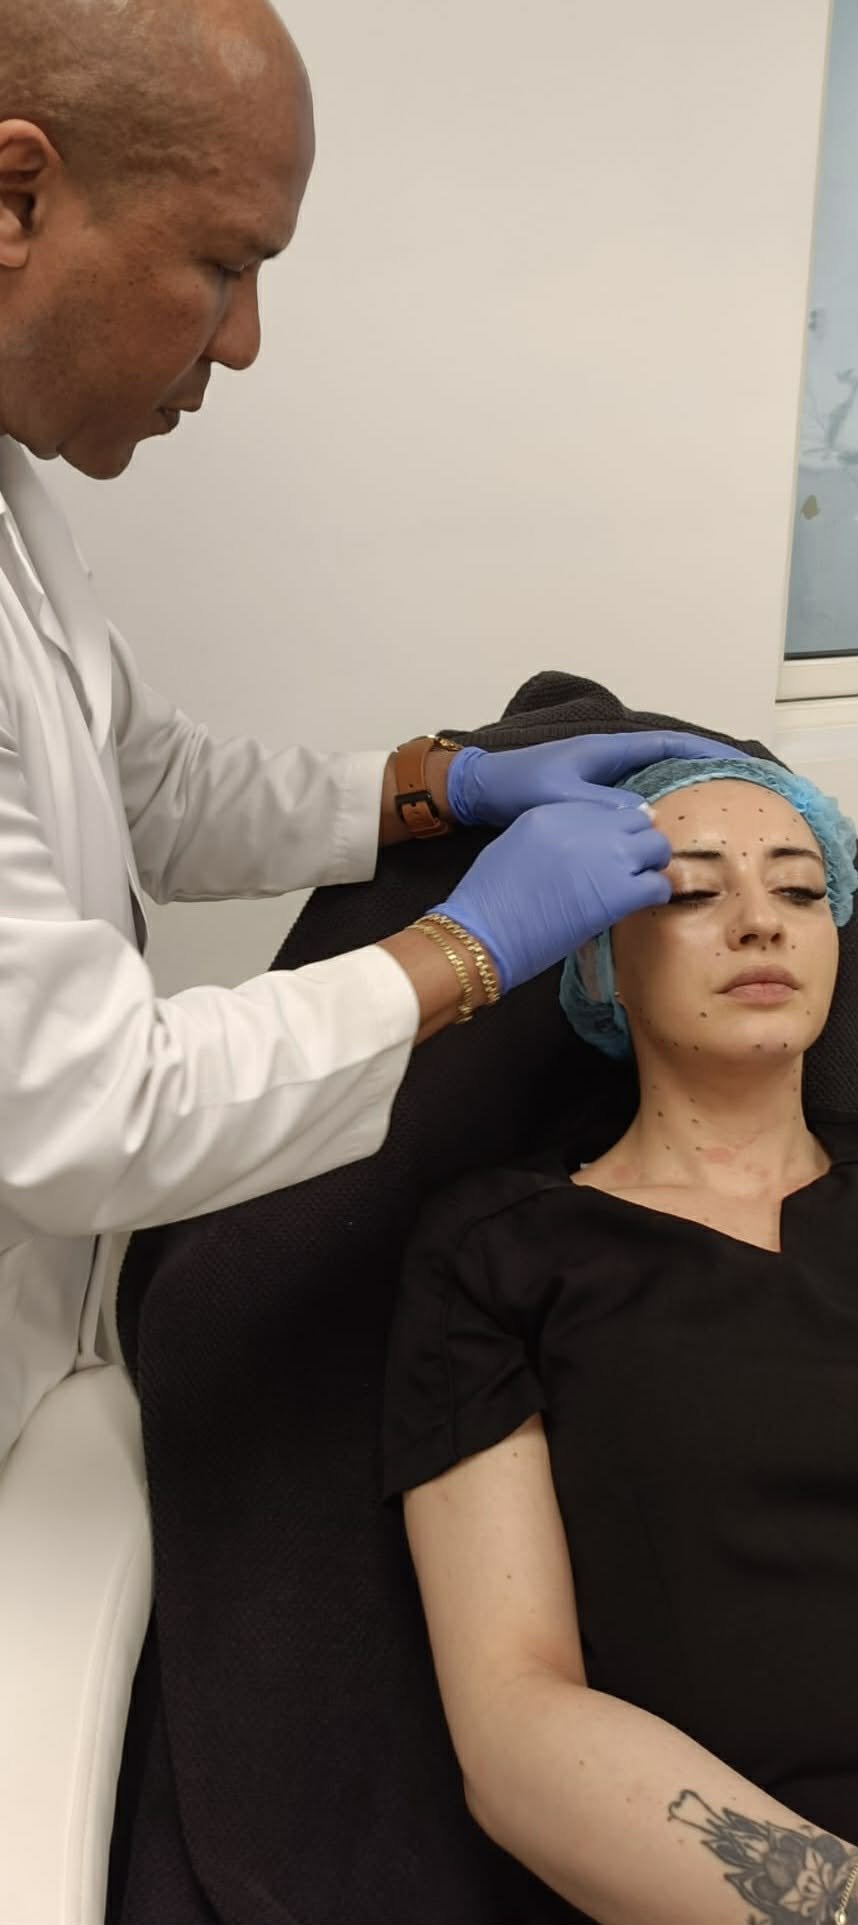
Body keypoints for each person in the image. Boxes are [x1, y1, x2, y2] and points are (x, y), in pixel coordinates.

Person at [0, 0, 743, 1465]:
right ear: (17, 197)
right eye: (223, 266)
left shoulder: (18, 507)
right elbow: (88, 1104)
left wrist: (433, 784)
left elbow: (138, 778)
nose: (249, 340)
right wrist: (463, 953)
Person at [384, 758, 858, 1925]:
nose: (760, 919)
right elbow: (515, 1722)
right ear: (597, 950)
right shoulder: (504, 1254)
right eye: (691, 892)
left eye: (801, 891)